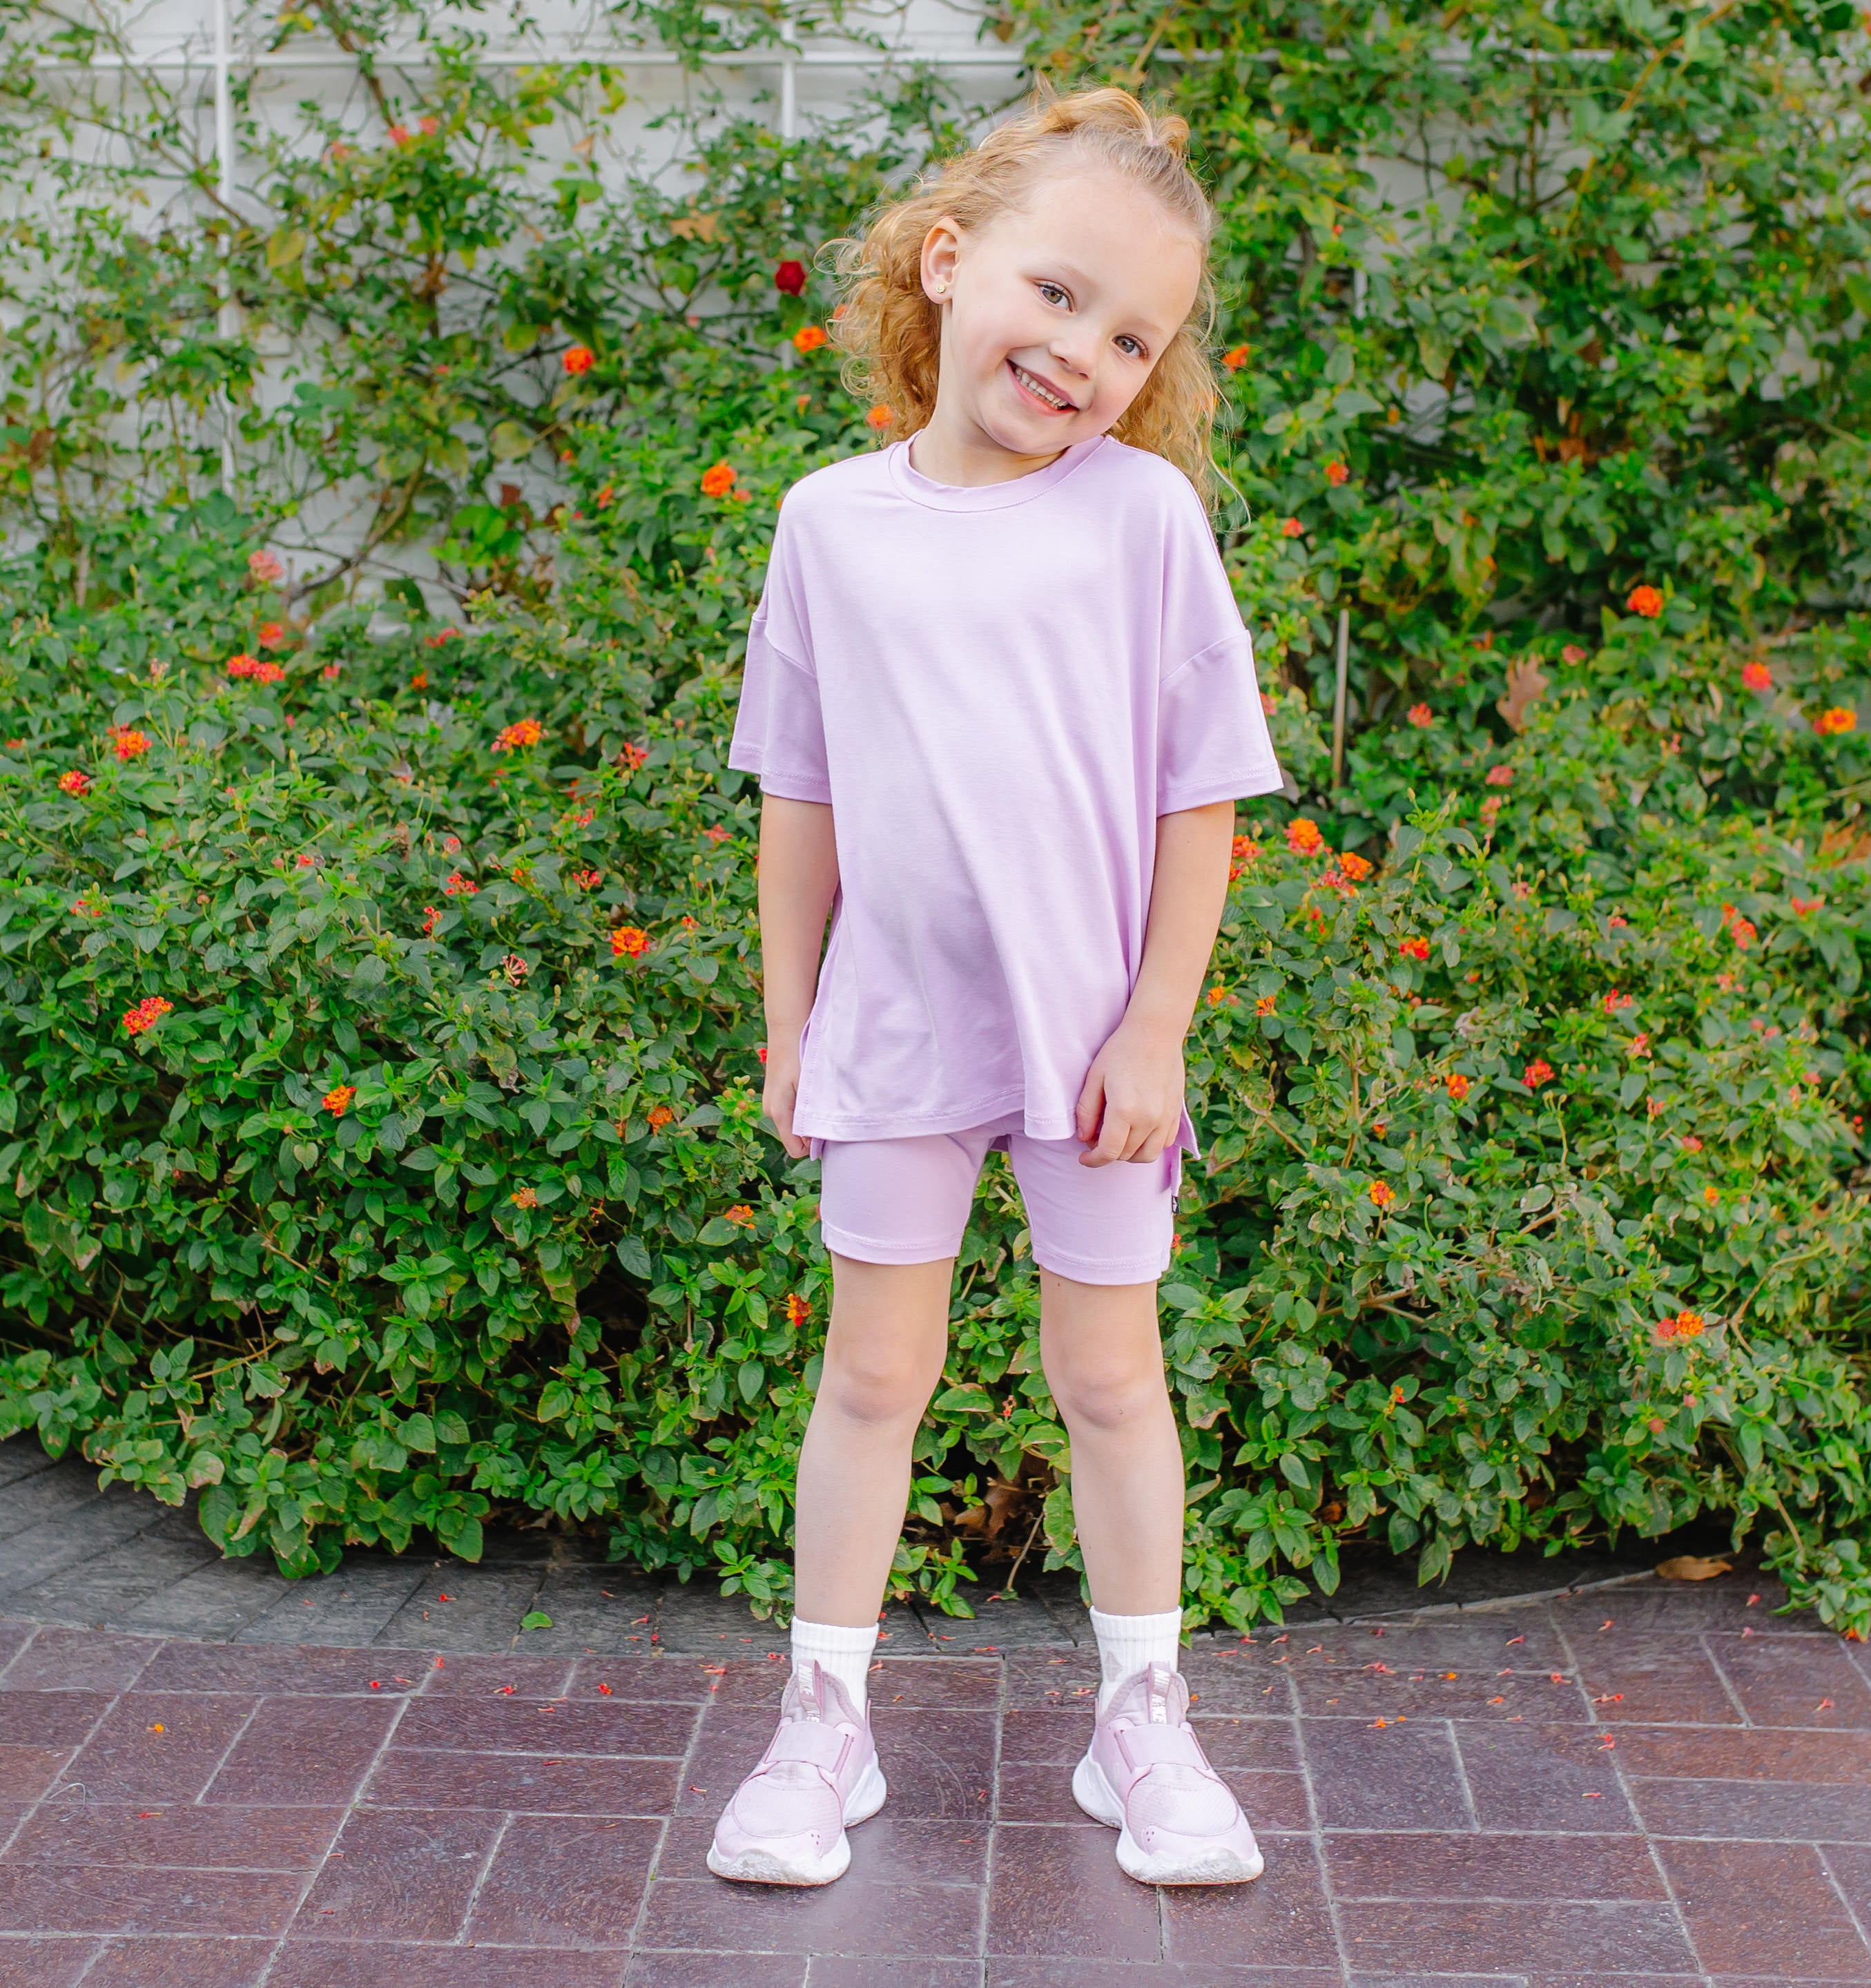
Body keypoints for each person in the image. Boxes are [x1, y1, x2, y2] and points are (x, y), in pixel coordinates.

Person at [711, 84, 1283, 1891]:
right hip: (893, 1037)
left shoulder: (1145, 526)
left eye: (1135, 337)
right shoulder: (830, 524)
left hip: (1097, 1052)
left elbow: (1206, 800)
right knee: (872, 1378)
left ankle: (1143, 1725)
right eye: (1059, 296)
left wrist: (1154, 1029)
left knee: (1113, 1383)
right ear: (949, 266)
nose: (1087, 353)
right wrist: (792, 1026)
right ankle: (823, 1730)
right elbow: (795, 804)